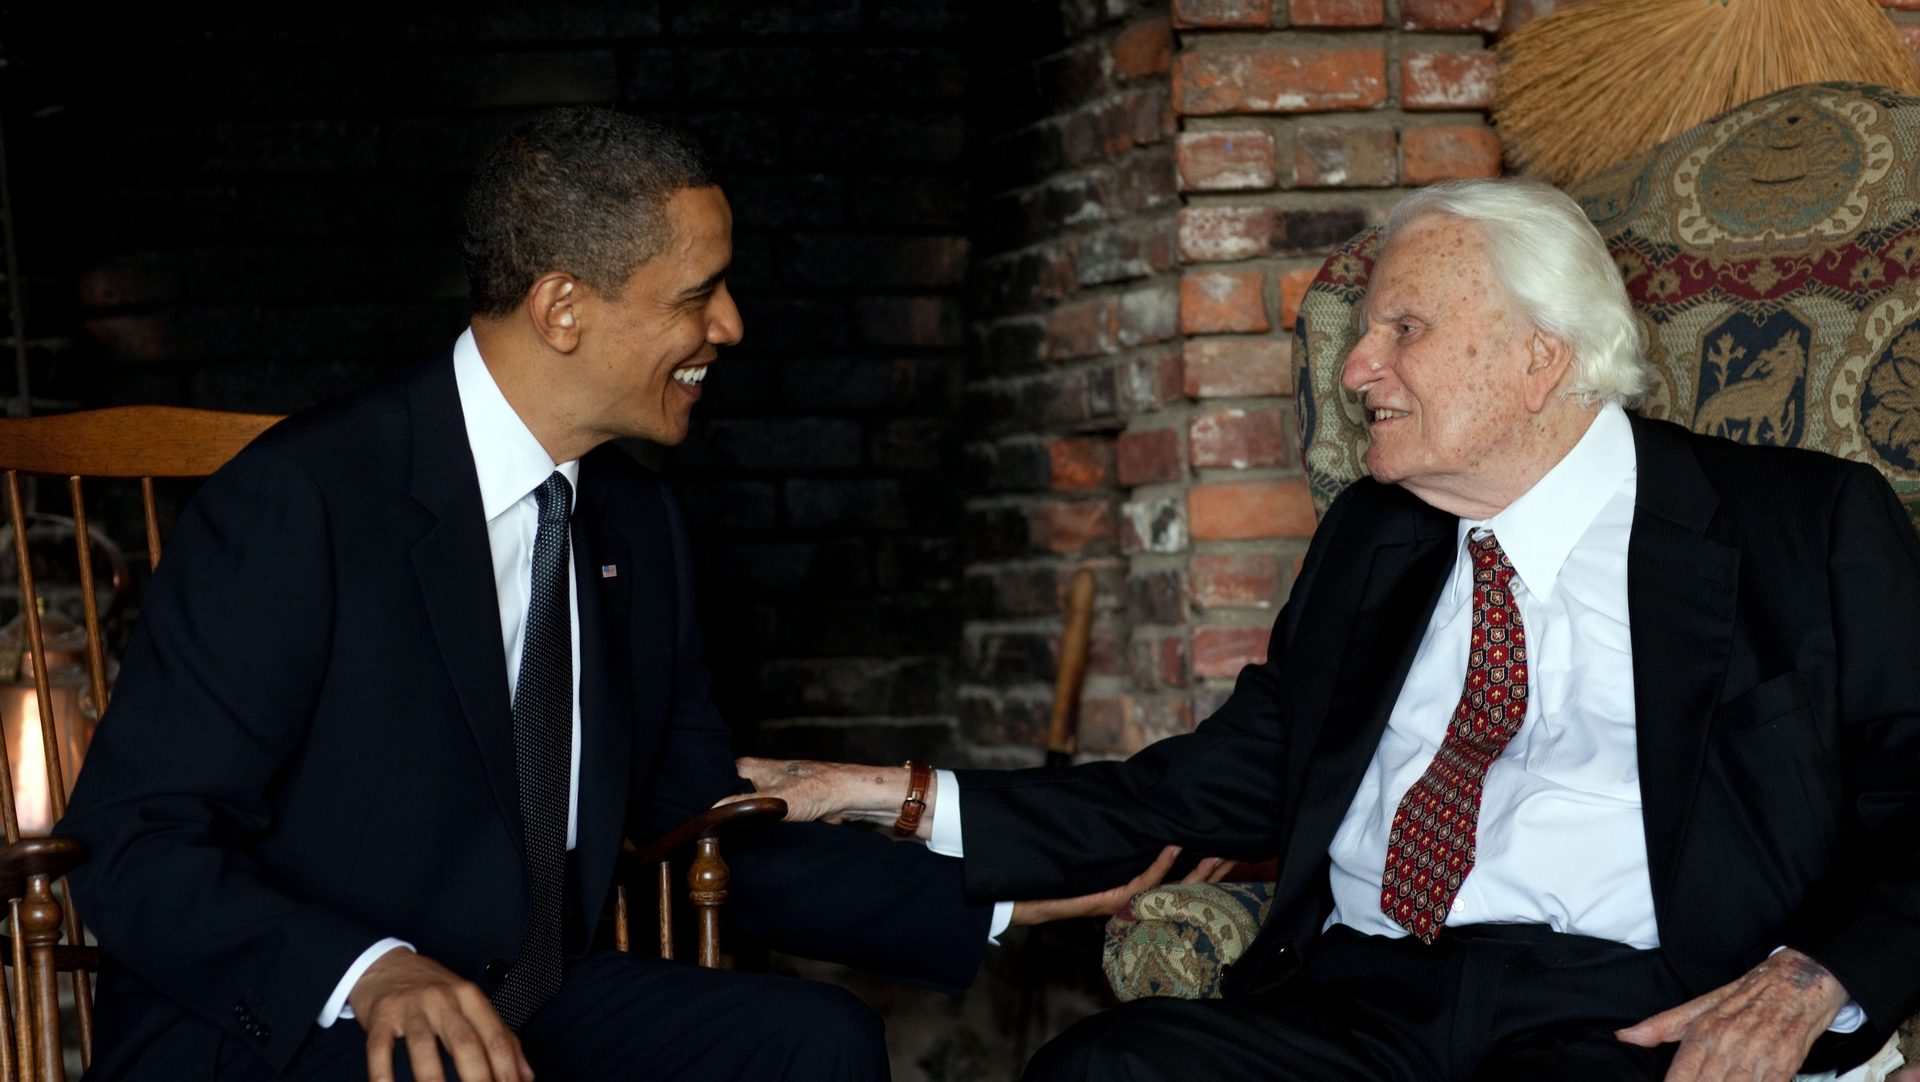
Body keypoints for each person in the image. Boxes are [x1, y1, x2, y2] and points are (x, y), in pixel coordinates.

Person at [731, 178, 1920, 1082]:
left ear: (1539, 357)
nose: (1357, 368)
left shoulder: (1797, 527)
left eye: (1402, 328)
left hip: (1616, 1014)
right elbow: (1195, 790)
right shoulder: (1377, 539)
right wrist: (885, 793)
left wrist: (1815, 977)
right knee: (1104, 1067)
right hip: (1353, 1004)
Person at [55, 107, 994, 1082]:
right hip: (290, 1016)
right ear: (563, 309)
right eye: (699, 294)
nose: (731, 326)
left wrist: (1005, 890)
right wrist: (371, 972)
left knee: (815, 1039)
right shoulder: (301, 498)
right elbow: (135, 839)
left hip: (531, 1000)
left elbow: (709, 825)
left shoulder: (638, 523)